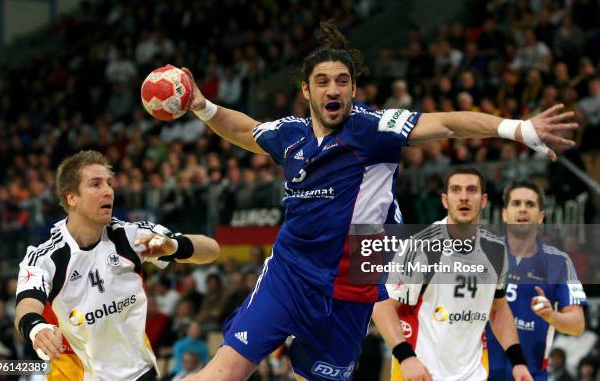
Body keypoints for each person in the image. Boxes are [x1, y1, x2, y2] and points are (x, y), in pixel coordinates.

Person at [181, 21, 577, 381]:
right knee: (225, 371)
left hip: (351, 288)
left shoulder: (374, 129)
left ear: (353, 89)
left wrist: (518, 129)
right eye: (321, 81)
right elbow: (247, 131)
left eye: (341, 80)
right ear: (306, 90)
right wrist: (203, 106)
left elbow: (449, 124)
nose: (332, 89)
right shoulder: (290, 134)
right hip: (290, 275)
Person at [14, 150, 220, 381]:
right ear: (72, 198)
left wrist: (173, 246)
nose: (108, 191)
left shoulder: (131, 237)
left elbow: (211, 250)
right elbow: (27, 304)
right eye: (96, 184)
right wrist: (36, 329)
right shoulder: (46, 256)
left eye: (109, 183)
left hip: (140, 373)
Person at [373, 167, 533, 381]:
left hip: (473, 373)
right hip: (421, 373)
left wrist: (518, 361)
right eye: (456, 190)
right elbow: (381, 306)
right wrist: (406, 357)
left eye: (472, 190)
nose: (464, 197)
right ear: (445, 200)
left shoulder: (496, 250)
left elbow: (498, 308)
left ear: (484, 200)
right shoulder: (421, 246)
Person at [486, 181, 586, 381]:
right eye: (516, 203)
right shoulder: (484, 254)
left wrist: (552, 316)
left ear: (540, 216)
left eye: (530, 204)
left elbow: (577, 325)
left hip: (531, 376)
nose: (523, 209)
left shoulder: (559, 262)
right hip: (479, 374)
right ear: (505, 214)